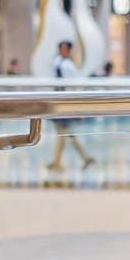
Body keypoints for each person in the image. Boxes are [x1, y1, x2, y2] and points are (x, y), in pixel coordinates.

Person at [47, 40, 95, 172]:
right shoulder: (59, 63)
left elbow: (73, 86)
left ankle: (59, 162)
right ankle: (83, 158)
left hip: (65, 103)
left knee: (64, 133)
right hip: (60, 102)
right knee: (65, 133)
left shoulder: (67, 65)